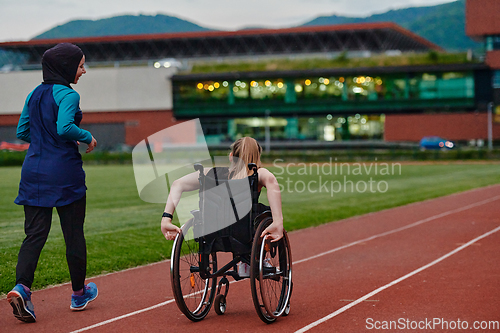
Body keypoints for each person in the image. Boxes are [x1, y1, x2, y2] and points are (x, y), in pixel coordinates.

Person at [7, 43, 98, 323]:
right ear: (66, 66)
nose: (83, 70)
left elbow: (23, 131)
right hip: (64, 173)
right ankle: (79, 293)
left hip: (33, 172)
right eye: (80, 65)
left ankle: (21, 287)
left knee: (34, 235)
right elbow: (64, 128)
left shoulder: (34, 93)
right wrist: (87, 136)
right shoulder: (68, 94)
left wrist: (43, 146)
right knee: (73, 234)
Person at [160, 136, 284, 242]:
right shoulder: (259, 173)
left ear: (231, 157)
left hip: (212, 231)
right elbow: (272, 181)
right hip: (245, 230)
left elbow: (178, 184)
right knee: (263, 214)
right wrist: (278, 221)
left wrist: (166, 219)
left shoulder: (211, 174)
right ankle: (257, 260)